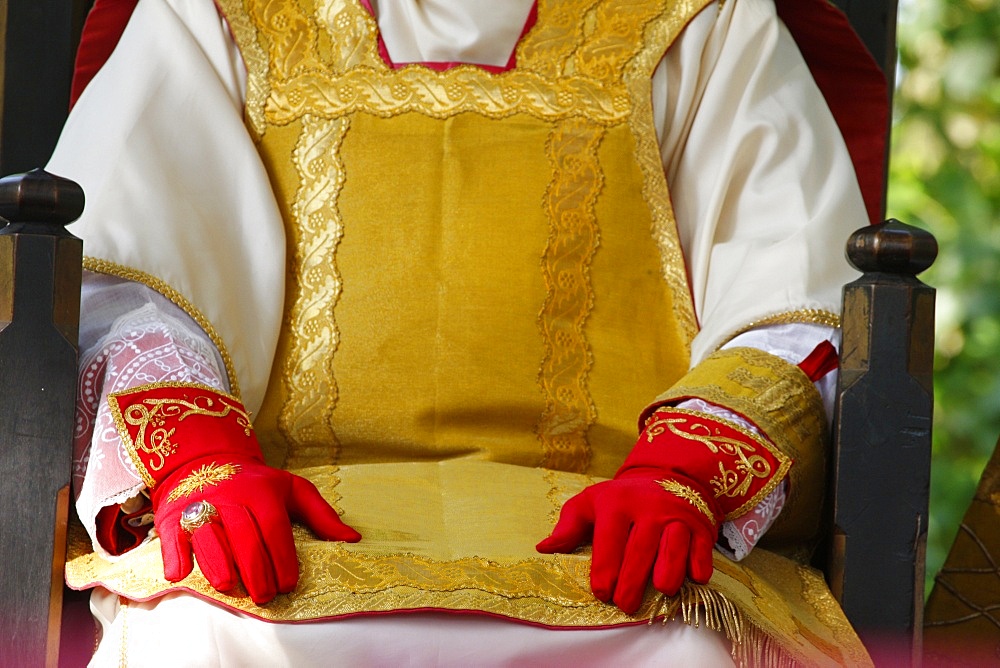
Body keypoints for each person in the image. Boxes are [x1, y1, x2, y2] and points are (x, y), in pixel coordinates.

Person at [49, 0, 884, 664]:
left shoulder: (701, 16)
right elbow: (123, 274)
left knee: (685, 650)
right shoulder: (221, 11)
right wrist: (198, 458)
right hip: (283, 520)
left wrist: (686, 469)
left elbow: (793, 298)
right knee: (201, 637)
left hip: (617, 535)